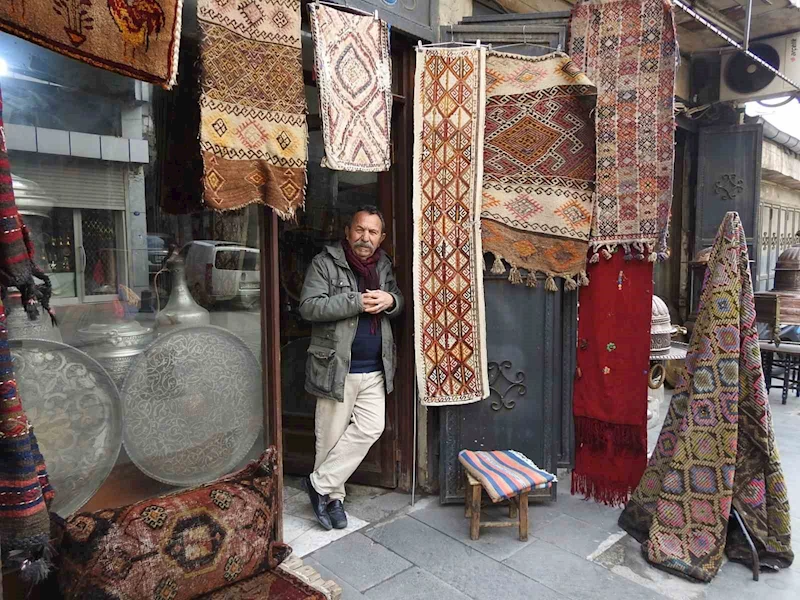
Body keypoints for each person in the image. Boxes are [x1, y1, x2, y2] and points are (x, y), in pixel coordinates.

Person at [298, 206, 404, 530]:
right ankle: (334, 500)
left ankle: (318, 484)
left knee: (371, 428)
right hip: (335, 367)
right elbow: (309, 307)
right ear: (348, 232)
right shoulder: (325, 263)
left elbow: (398, 299)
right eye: (359, 230)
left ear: (381, 237)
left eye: (372, 232)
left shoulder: (383, 265)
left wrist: (391, 301)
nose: (365, 237)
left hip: (375, 368)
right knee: (329, 438)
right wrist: (356, 302)